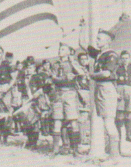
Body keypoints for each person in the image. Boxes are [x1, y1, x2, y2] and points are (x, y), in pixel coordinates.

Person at [79, 26, 120, 158]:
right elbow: (82, 44)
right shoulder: (100, 54)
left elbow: (107, 73)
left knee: (109, 122)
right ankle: (112, 155)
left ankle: (115, 156)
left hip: (107, 88)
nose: (96, 41)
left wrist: (91, 75)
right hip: (100, 88)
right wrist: (82, 27)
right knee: (105, 121)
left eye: (99, 39)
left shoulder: (111, 55)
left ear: (107, 41)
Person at [50, 43, 84, 158]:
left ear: (69, 52)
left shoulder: (72, 63)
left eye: (63, 49)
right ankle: (55, 149)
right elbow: (54, 78)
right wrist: (64, 78)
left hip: (70, 93)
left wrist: (73, 67)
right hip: (58, 93)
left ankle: (75, 149)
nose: (60, 51)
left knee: (73, 121)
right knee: (57, 120)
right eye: (59, 49)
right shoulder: (55, 64)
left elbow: (81, 73)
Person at [115, 50, 131, 142]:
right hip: (120, 90)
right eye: (123, 58)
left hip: (130, 90)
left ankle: (129, 135)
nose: (125, 60)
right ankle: (118, 136)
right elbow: (114, 82)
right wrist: (116, 93)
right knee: (120, 114)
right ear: (120, 59)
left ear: (129, 58)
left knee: (129, 114)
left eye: (126, 58)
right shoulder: (118, 68)